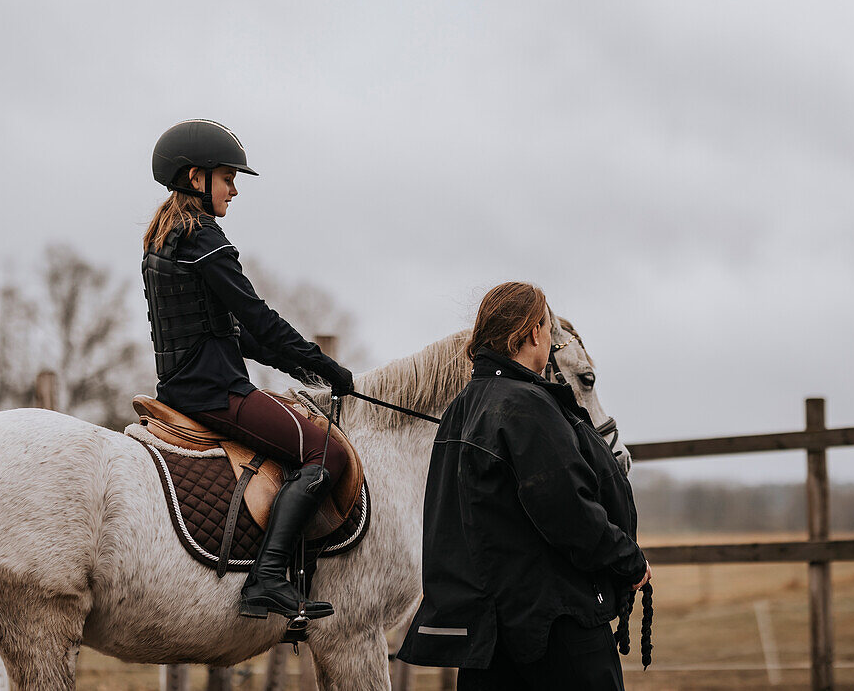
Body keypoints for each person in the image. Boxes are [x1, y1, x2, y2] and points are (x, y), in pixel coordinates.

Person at [142, 119, 354, 622]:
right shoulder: (204, 239)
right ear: (197, 177)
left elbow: (238, 334)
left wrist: (310, 371)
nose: (235, 189)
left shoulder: (166, 235)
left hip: (181, 386)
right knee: (325, 452)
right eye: (228, 178)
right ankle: (267, 577)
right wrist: (322, 362)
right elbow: (257, 317)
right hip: (213, 392)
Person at [397, 282, 650, 690]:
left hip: (489, 636)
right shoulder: (526, 407)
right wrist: (629, 560)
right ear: (533, 332)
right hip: (554, 627)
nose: (551, 342)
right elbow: (568, 512)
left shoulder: (461, 410)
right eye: (549, 330)